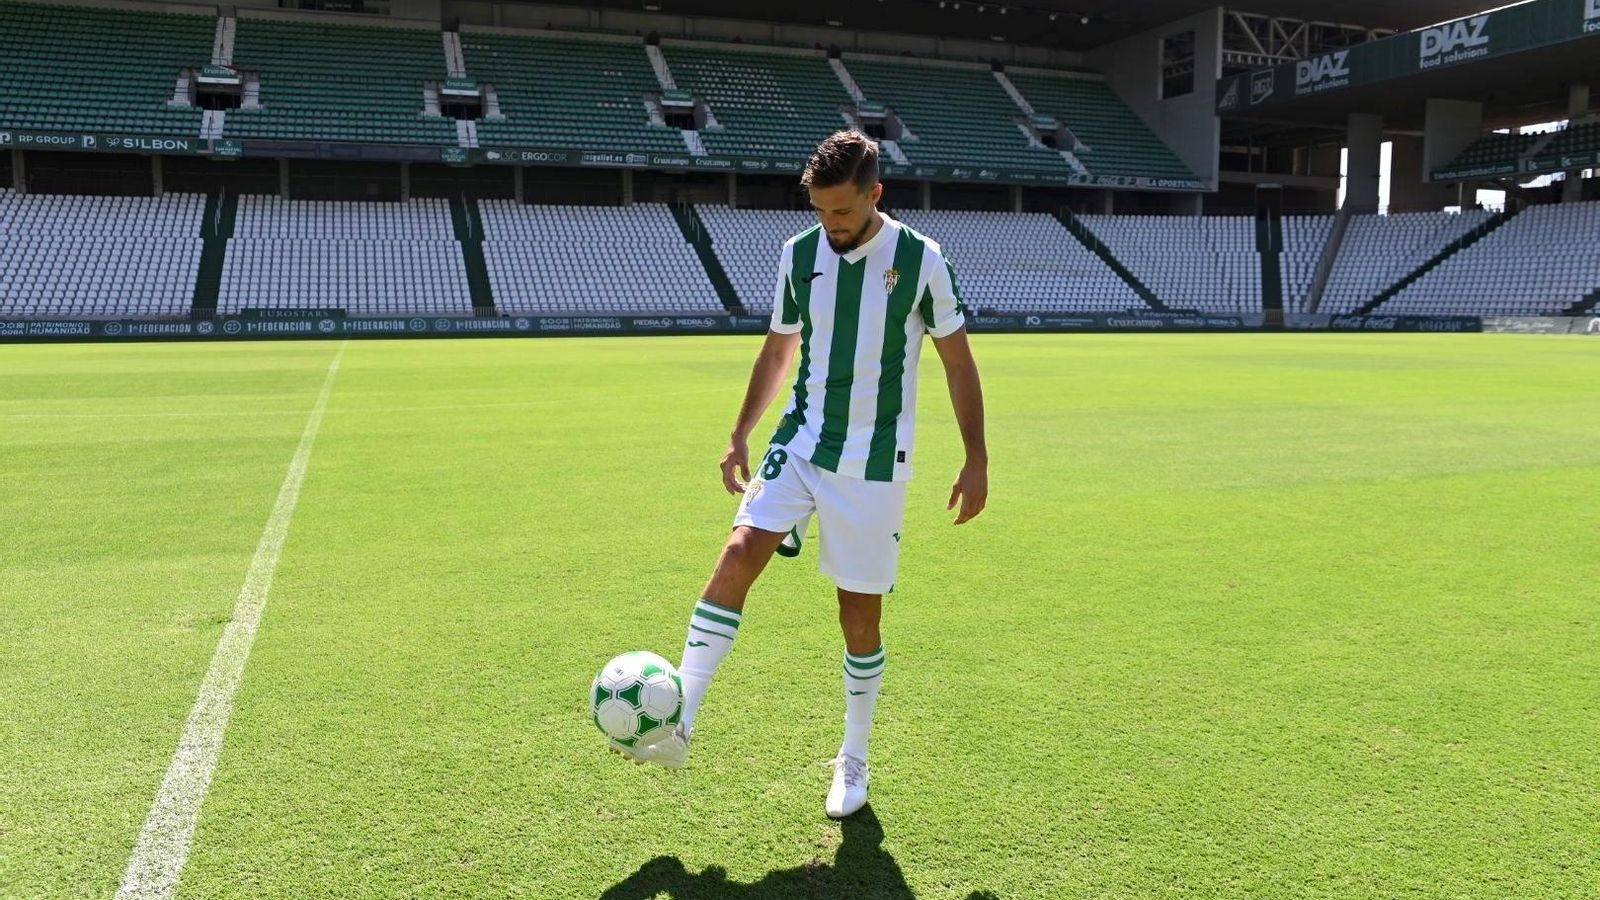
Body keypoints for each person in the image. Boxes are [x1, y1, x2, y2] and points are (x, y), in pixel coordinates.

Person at [611, 130, 988, 819]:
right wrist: (739, 432)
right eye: (820, 210)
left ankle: (854, 756)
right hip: (801, 440)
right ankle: (679, 722)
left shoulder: (921, 260)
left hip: (873, 461)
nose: (831, 223)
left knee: (858, 615)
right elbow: (779, 348)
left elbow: (958, 362)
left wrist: (977, 457)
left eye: (842, 210)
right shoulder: (800, 253)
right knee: (737, 553)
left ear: (875, 194)